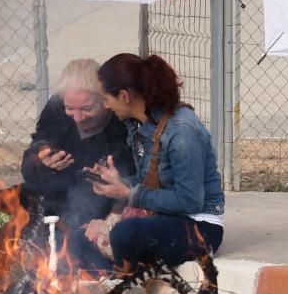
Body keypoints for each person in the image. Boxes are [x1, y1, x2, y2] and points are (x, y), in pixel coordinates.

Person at [83, 53, 225, 270]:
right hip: (163, 218)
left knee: (125, 234)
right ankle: (100, 287)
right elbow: (149, 182)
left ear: (124, 96)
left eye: (105, 99)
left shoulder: (181, 131)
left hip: (199, 227)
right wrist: (115, 182)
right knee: (80, 236)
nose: (105, 106)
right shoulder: (140, 125)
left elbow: (189, 201)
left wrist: (130, 194)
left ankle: (130, 287)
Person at [21, 59, 134, 237]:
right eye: (70, 108)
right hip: (53, 204)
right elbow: (28, 167)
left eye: (87, 109)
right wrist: (41, 160)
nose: (78, 117)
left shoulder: (121, 123)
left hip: (97, 213)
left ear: (105, 100)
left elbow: (131, 184)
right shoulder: (56, 108)